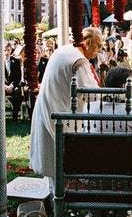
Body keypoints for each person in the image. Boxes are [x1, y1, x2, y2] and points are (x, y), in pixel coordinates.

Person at [30, 27, 103, 193]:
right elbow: (92, 95)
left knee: (53, 168)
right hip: (60, 115)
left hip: (48, 109)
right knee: (63, 166)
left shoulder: (63, 50)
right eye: (98, 46)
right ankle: (63, 204)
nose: (98, 51)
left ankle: (54, 199)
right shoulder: (79, 61)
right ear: (87, 43)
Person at [4, 43, 23, 122]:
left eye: (8, 50)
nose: (6, 52)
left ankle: (15, 115)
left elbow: (18, 76)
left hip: (13, 85)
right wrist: (4, 86)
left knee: (18, 93)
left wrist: (11, 86)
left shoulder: (16, 61)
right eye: (4, 50)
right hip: (2, 86)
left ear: (11, 50)